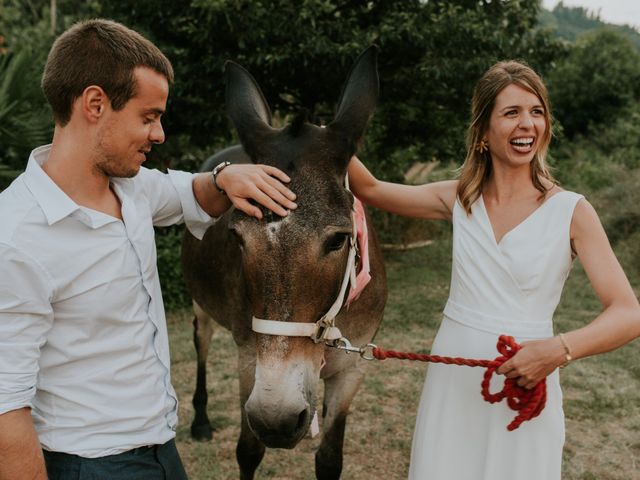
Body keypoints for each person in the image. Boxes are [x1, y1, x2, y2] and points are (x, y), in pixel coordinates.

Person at [0, 19, 297, 480]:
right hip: (87, 464)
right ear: (95, 103)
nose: (158, 134)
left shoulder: (132, 188)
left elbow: (190, 194)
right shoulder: (14, 236)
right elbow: (4, 411)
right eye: (149, 116)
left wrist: (225, 175)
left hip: (160, 448)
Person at [348, 60, 640, 479]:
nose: (527, 124)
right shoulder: (459, 199)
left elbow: (628, 313)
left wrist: (558, 350)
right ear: (483, 132)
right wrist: (325, 136)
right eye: (511, 113)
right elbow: (369, 188)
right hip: (452, 385)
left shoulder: (572, 211)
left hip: (525, 385)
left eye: (536, 112)